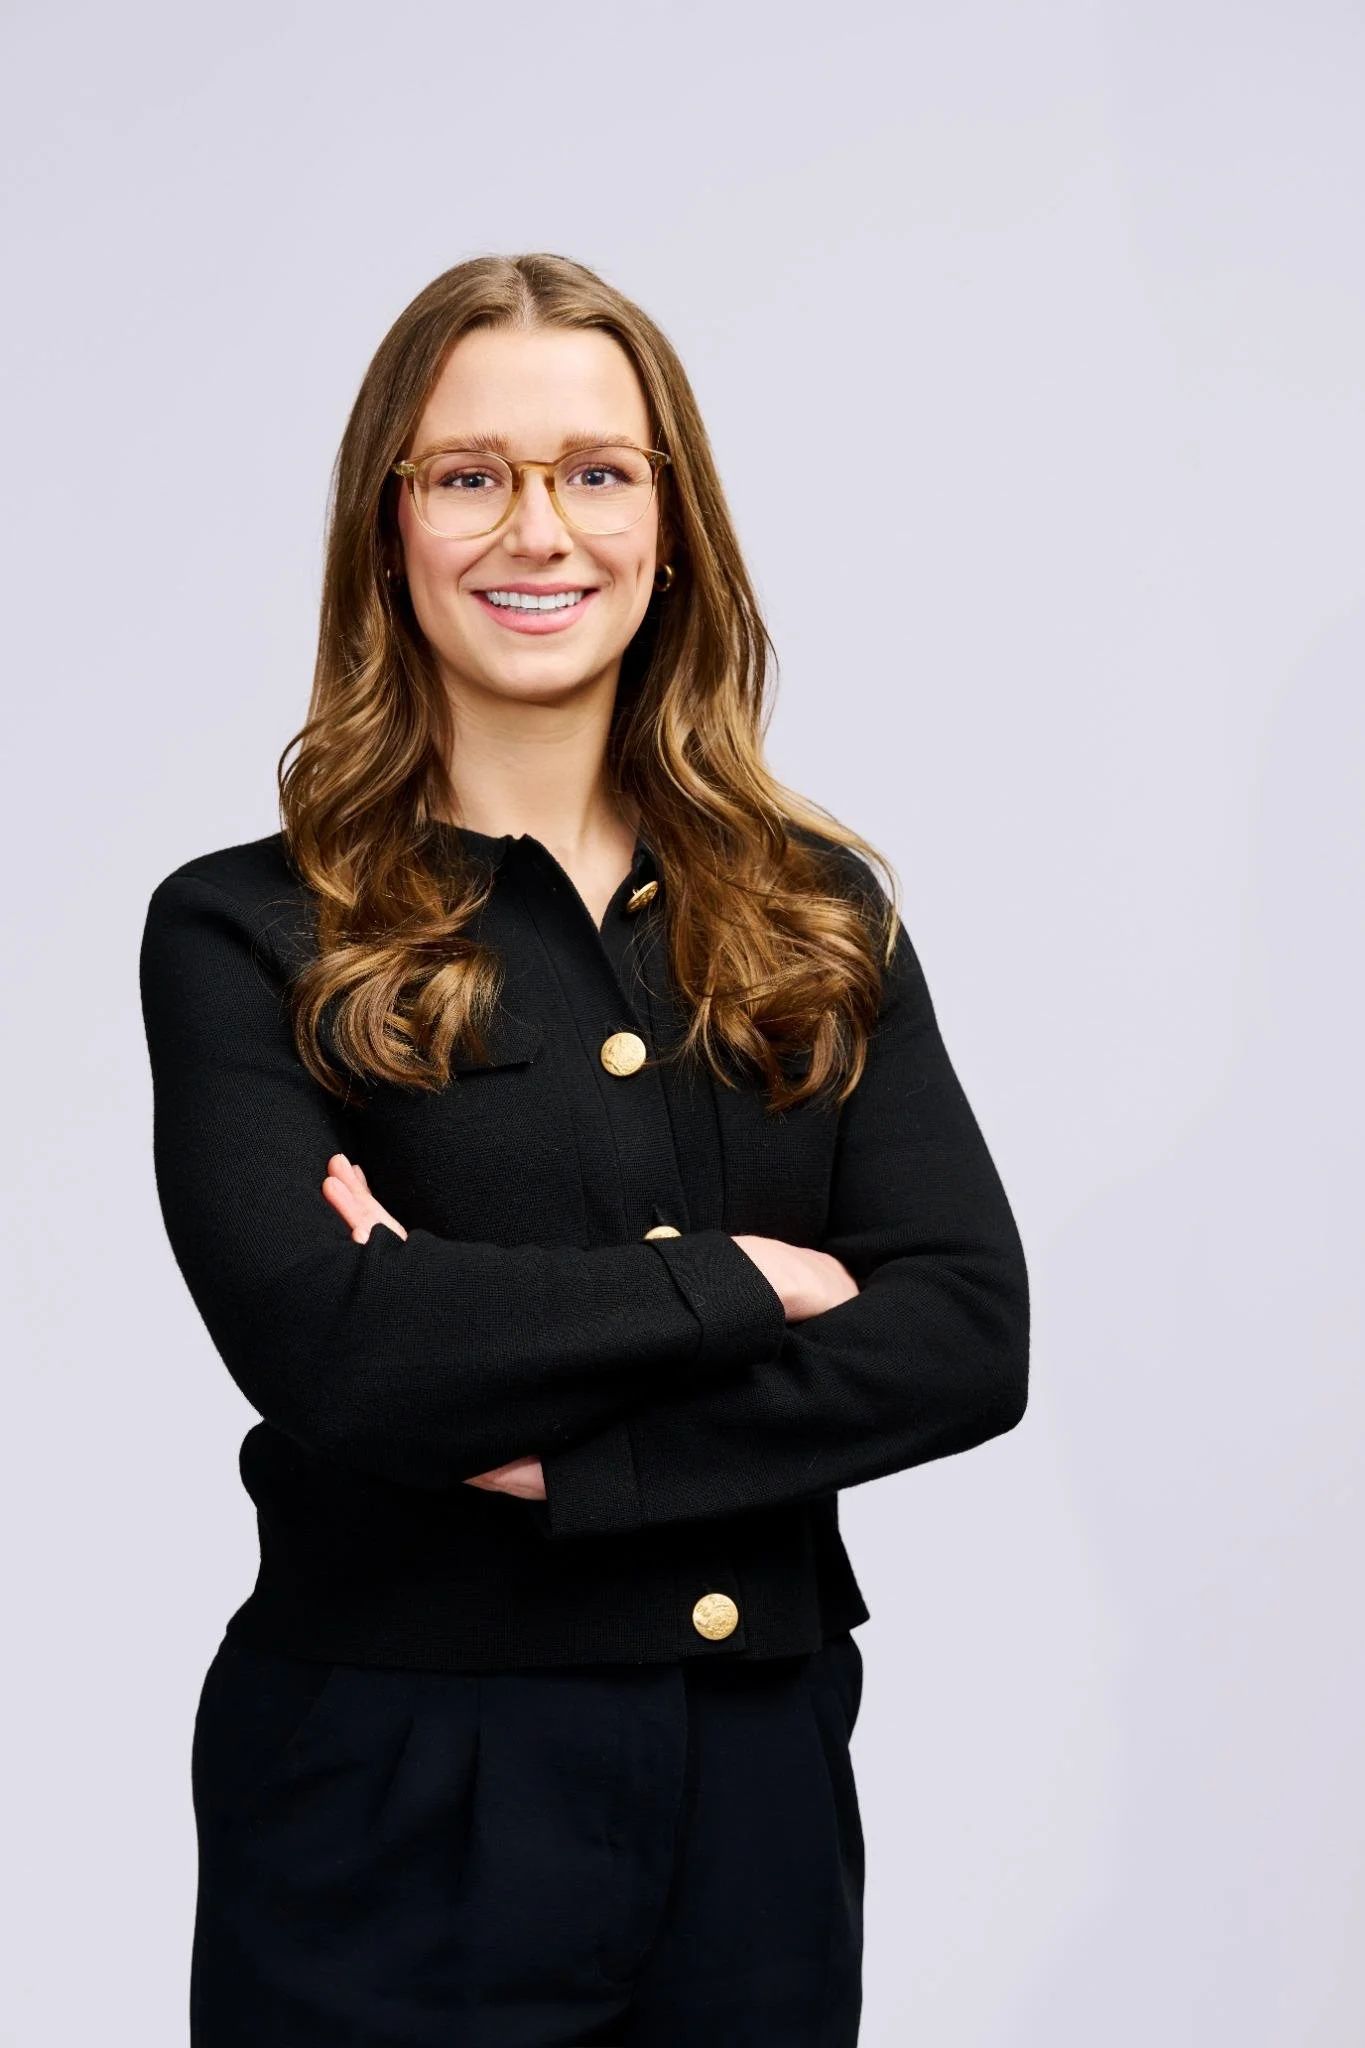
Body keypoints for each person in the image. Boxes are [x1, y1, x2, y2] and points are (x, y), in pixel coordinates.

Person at [138, 251, 1030, 2047]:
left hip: (756, 1782)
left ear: (671, 525)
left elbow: (964, 1334)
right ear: (388, 526)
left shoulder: (815, 916)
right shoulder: (248, 931)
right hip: (390, 1780)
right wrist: (745, 1283)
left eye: (596, 472)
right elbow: (337, 1348)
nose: (536, 530)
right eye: (471, 473)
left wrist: (560, 1446)